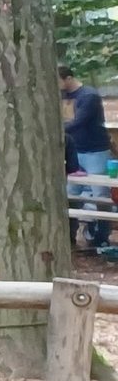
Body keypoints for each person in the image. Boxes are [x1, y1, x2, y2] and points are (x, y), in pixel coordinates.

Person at [64, 66, 112, 249]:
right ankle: (70, 236)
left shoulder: (88, 96)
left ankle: (102, 236)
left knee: (100, 194)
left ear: (68, 78)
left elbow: (78, 122)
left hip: (95, 151)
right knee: (71, 193)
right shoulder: (62, 96)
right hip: (75, 151)